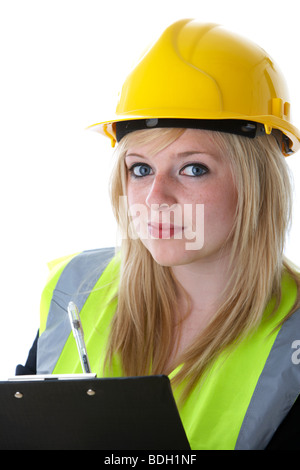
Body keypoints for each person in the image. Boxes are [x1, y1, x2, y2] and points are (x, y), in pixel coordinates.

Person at [17, 19, 300, 450]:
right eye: (141, 169)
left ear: (257, 182)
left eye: (193, 168)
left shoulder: (292, 337)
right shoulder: (75, 287)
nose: (155, 197)